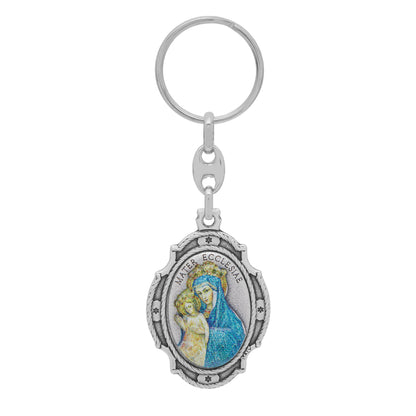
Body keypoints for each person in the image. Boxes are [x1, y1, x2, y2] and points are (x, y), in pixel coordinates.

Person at [174, 289, 209, 366]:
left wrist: (206, 337)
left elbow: (206, 327)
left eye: (190, 307)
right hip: (189, 341)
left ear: (194, 304)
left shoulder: (200, 316)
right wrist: (180, 322)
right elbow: (186, 328)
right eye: (186, 308)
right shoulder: (186, 317)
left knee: (198, 357)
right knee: (187, 354)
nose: (189, 310)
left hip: (199, 342)